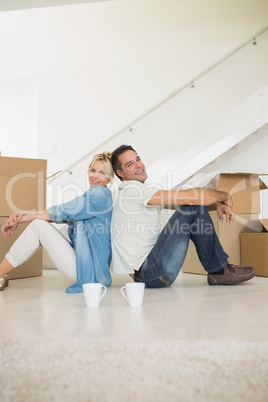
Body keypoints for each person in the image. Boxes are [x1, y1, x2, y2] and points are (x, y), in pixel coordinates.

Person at [110, 145, 254, 288]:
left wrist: (217, 204)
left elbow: (193, 206)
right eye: (130, 164)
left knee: (192, 206)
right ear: (120, 173)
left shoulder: (138, 193)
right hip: (150, 272)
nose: (139, 165)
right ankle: (219, 271)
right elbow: (193, 200)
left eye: (138, 159)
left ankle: (219, 271)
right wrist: (224, 196)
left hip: (150, 273)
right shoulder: (131, 190)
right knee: (191, 205)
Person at [0, 152, 114, 293]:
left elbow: (62, 211)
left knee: (37, 225)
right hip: (93, 273)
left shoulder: (99, 194)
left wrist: (22, 219)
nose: (95, 175)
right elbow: (60, 215)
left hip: (90, 275)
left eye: (102, 172)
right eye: (93, 170)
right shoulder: (95, 197)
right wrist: (24, 215)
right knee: (39, 224)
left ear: (109, 178)